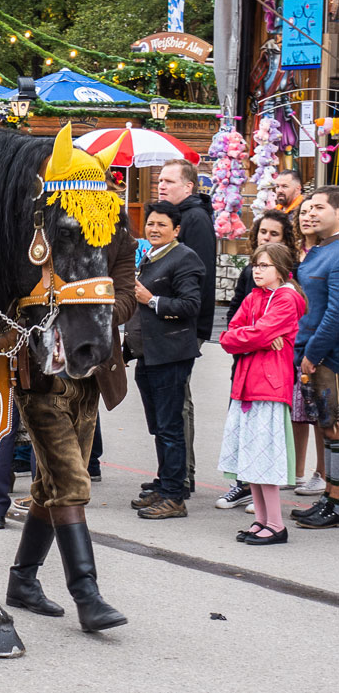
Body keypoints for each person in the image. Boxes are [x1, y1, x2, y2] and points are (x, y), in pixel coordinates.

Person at [6, 210, 135, 632]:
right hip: (42, 377)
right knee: (72, 484)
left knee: (49, 487)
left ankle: (22, 580)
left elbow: (127, 294)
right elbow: (13, 286)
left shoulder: (116, 228)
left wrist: (90, 311)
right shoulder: (38, 224)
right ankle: (87, 595)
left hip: (92, 372)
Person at [218, 243, 305, 545]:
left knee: (264, 457)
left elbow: (253, 333)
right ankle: (261, 520)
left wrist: (257, 337)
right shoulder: (255, 296)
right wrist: (263, 340)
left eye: (264, 265)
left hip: (269, 386)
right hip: (246, 384)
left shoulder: (286, 299)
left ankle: (277, 525)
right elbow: (228, 336)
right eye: (255, 264)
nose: (257, 270)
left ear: (281, 269)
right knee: (250, 457)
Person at [125, 201, 204, 519]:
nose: (154, 229)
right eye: (150, 224)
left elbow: (190, 304)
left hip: (170, 355)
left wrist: (152, 300)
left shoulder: (185, 258)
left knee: (171, 427)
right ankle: (165, 482)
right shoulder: (149, 256)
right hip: (148, 355)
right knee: (159, 426)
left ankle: (174, 495)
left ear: (177, 230)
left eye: (161, 225)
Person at [156, 159, 215, 496]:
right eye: (160, 181)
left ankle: (182, 476)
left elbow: (198, 277)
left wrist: (194, 328)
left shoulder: (194, 219)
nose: (162, 185)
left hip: (183, 325)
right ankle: (172, 473)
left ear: (189, 187)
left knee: (178, 403)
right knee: (169, 403)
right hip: (168, 323)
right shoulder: (176, 218)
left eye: (169, 181)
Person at [292, 186, 339, 528]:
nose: (309, 214)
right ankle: (330, 498)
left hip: (327, 358)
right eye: (307, 208)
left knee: (334, 429)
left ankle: (334, 502)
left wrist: (312, 352)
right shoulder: (318, 251)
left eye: (318, 208)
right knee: (328, 429)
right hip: (312, 353)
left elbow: (336, 313)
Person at [275, 168, 304, 237]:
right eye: (277, 186)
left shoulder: (303, 213)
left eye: (284, 186)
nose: (279, 190)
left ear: (297, 189)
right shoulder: (276, 210)